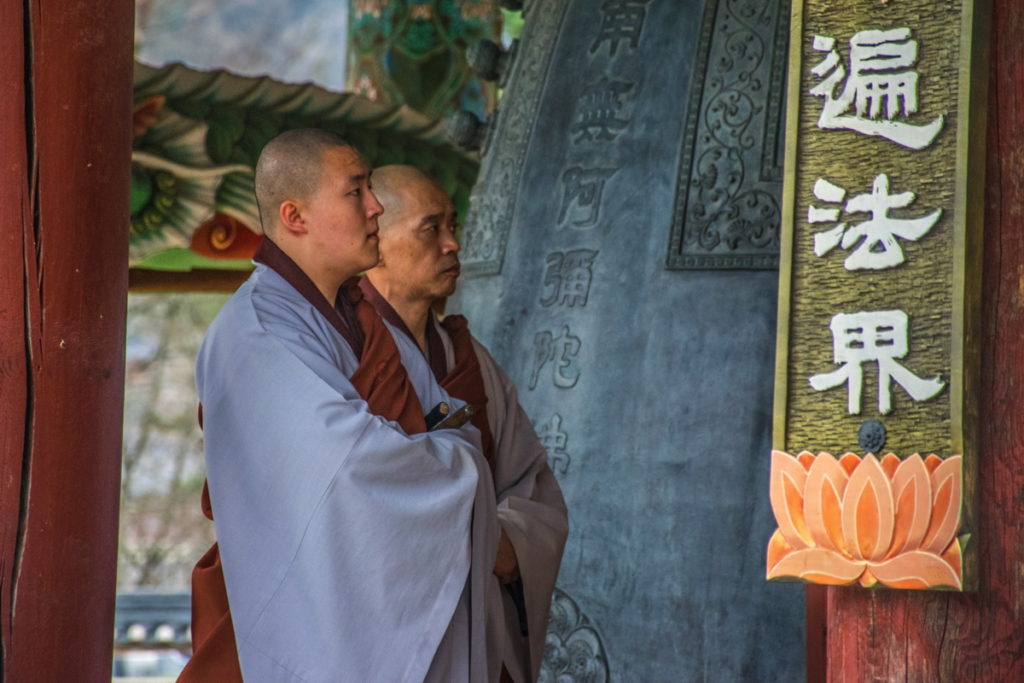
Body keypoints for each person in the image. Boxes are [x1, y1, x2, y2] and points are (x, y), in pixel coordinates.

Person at [180, 130, 498, 682]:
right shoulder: (258, 331)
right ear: (295, 216)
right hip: (304, 609)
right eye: (356, 191)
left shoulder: (358, 318)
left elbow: (449, 421)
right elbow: (354, 468)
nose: (375, 206)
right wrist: (462, 468)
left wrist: (441, 446)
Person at [361, 165, 569, 683]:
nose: (454, 244)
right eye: (431, 228)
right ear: (377, 241)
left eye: (453, 225)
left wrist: (507, 543)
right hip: (377, 630)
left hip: (475, 624)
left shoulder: (468, 358)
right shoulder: (341, 352)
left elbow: (532, 487)